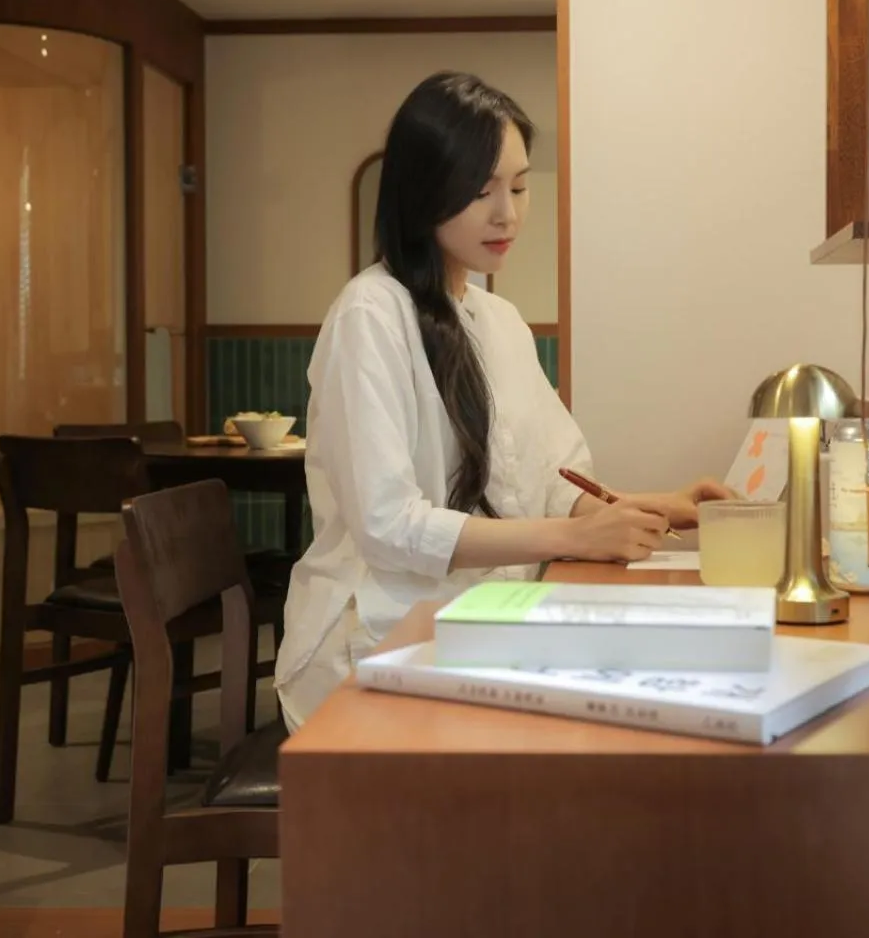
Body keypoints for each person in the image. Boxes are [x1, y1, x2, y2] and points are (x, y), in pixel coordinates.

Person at [274, 72, 730, 731]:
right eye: (479, 191)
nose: (507, 214)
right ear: (424, 191)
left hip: (480, 625)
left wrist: (641, 506)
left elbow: (549, 475)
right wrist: (575, 535)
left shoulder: (499, 320)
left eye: (518, 186)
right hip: (374, 645)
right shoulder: (370, 314)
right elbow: (388, 525)